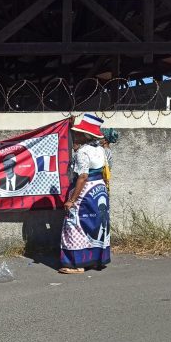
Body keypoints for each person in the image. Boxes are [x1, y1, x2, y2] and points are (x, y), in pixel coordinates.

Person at [59, 114, 111, 274]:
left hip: (84, 190)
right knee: (95, 223)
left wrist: (72, 200)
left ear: (84, 135)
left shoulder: (82, 153)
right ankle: (95, 260)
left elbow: (82, 176)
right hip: (99, 190)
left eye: (78, 132)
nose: (76, 134)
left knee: (75, 224)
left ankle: (76, 264)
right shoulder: (101, 150)